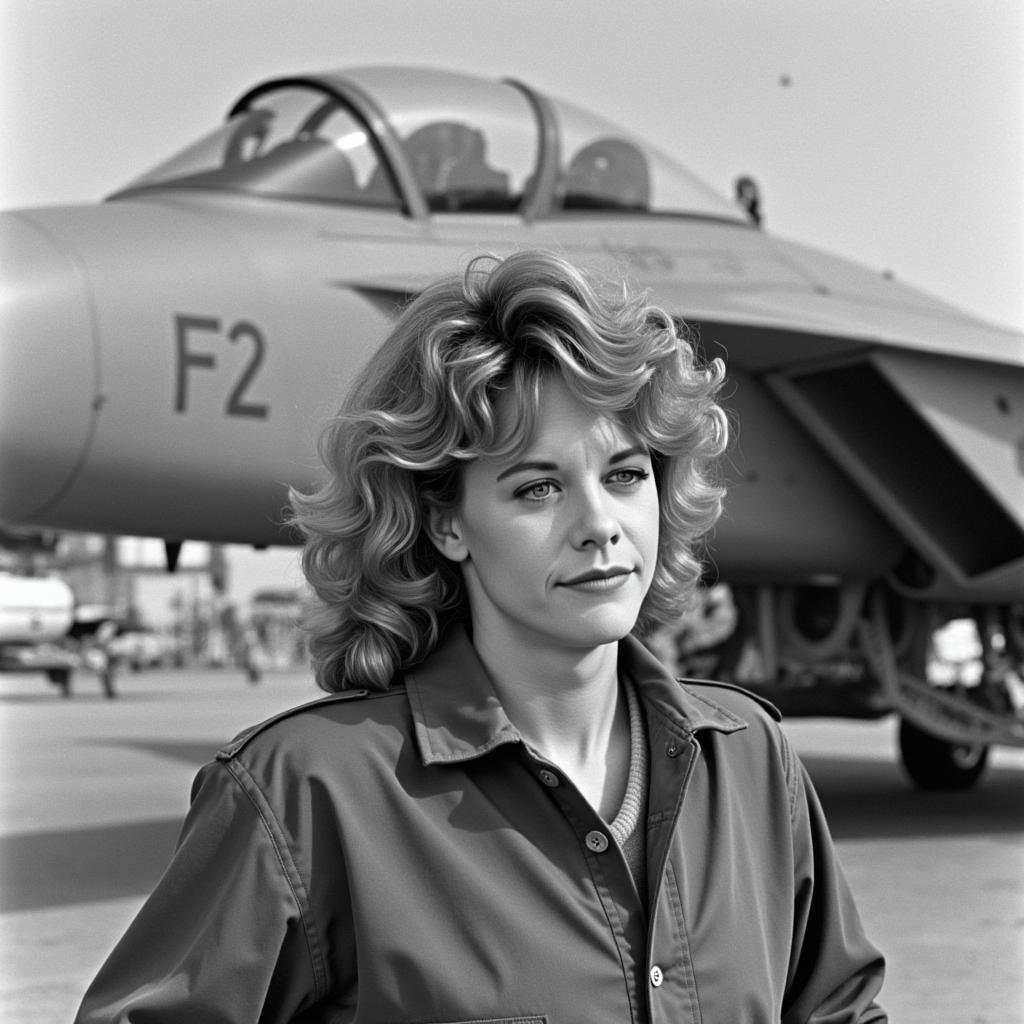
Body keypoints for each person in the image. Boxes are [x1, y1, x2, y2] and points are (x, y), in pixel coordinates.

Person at [75, 250, 886, 1022]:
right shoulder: (307, 794)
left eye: (625, 475)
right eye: (538, 488)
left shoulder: (751, 763)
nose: (599, 525)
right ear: (448, 523)